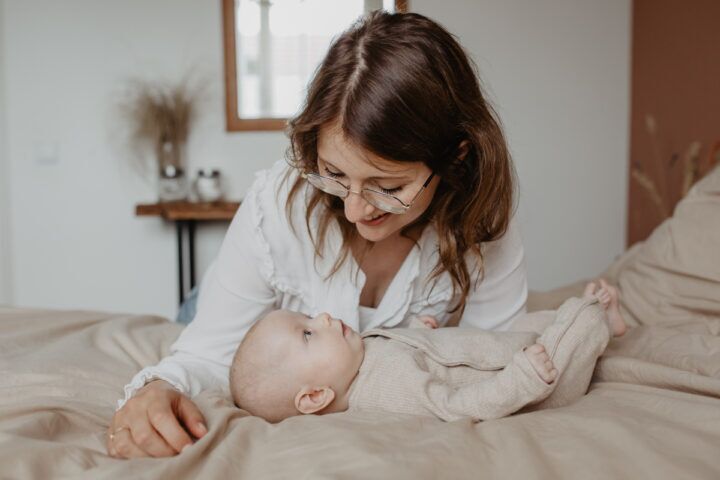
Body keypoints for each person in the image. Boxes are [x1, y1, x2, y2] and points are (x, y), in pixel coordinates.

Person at [108, 10, 528, 458]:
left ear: (456, 157)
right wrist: (157, 387)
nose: (355, 210)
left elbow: (492, 358)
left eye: (388, 189)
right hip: (228, 309)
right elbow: (210, 354)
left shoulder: (481, 228)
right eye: (334, 174)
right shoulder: (278, 205)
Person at [229, 281, 627, 423]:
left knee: (534, 322)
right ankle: (601, 319)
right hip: (535, 384)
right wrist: (523, 380)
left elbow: (400, 349)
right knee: (578, 322)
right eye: (309, 334)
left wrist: (416, 332)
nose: (326, 318)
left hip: (500, 348)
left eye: (309, 317)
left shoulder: (356, 356)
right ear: (315, 396)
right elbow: (456, 406)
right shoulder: (383, 391)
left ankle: (585, 322)